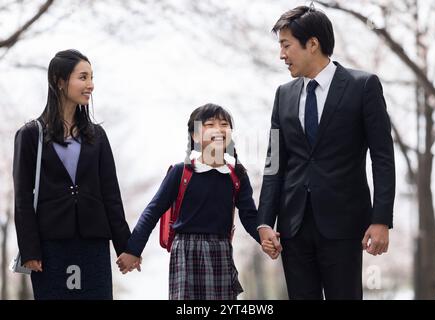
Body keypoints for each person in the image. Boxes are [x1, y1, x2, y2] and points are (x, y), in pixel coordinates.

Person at [257, 5, 396, 299]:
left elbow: (382, 157)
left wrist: (381, 218)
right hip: (293, 227)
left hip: (344, 225)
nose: (281, 54)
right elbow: (274, 163)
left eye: (286, 45)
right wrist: (265, 221)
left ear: (312, 44)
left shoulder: (363, 86)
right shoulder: (284, 95)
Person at [117, 103, 269, 300]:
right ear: (195, 136)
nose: (219, 129)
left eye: (224, 124)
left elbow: (249, 216)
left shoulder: (237, 175)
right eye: (210, 124)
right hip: (186, 252)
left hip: (221, 250)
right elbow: (152, 212)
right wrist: (133, 250)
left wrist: (265, 239)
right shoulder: (181, 172)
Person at [13, 49, 131, 299]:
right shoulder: (31, 134)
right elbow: (23, 197)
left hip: (93, 244)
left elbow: (111, 195)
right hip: (50, 246)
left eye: (91, 77)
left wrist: (126, 247)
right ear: (60, 80)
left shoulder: (97, 136)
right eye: (83, 77)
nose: (91, 85)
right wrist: (30, 250)